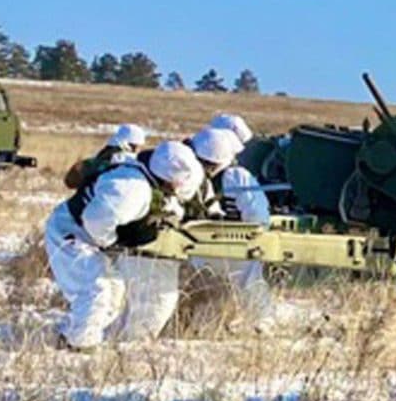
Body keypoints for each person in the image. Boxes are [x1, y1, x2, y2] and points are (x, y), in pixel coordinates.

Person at [43, 141, 164, 350]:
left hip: (83, 235)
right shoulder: (132, 188)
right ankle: (80, 347)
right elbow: (96, 221)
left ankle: (71, 335)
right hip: (70, 234)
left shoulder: (137, 178)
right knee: (96, 289)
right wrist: (112, 242)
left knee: (114, 290)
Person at [111, 139, 204, 342]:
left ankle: (114, 346)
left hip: (142, 253)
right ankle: (129, 353)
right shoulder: (139, 189)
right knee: (156, 304)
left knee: (129, 309)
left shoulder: (148, 172)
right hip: (148, 254)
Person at [191, 124, 276, 330]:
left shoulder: (191, 173)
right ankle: (261, 324)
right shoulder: (238, 176)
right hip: (237, 245)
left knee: (205, 290)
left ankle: (202, 326)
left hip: (197, 245)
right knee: (249, 283)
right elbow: (257, 214)